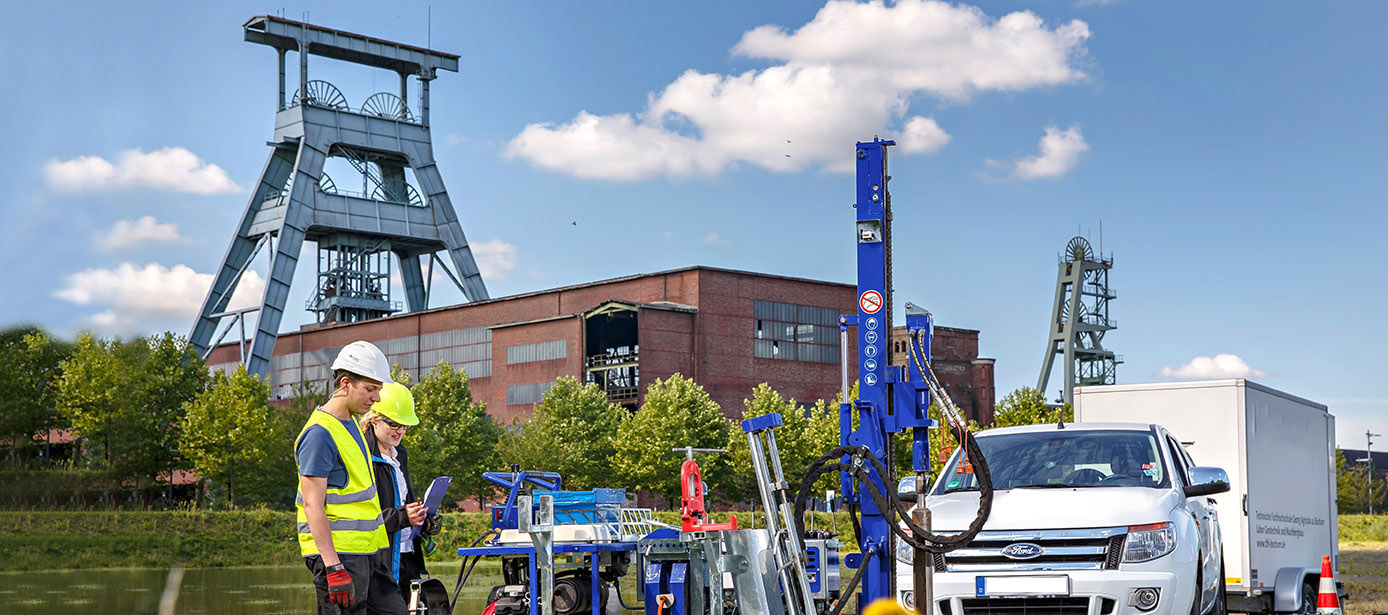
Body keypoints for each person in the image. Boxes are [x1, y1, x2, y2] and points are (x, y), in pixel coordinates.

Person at [294, 340, 423, 614]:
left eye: (378, 389)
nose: (376, 398)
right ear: (345, 384)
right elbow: (312, 505)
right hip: (340, 557)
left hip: (370, 554)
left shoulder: (352, 424)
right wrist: (333, 566)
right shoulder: (319, 434)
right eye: (370, 389)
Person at [361, 382, 442, 598]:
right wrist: (403, 517)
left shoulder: (399, 454)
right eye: (394, 424)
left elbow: (405, 502)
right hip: (380, 559)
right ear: (374, 420)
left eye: (405, 426)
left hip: (407, 554)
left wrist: (422, 519)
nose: (400, 431)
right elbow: (364, 517)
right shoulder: (363, 457)